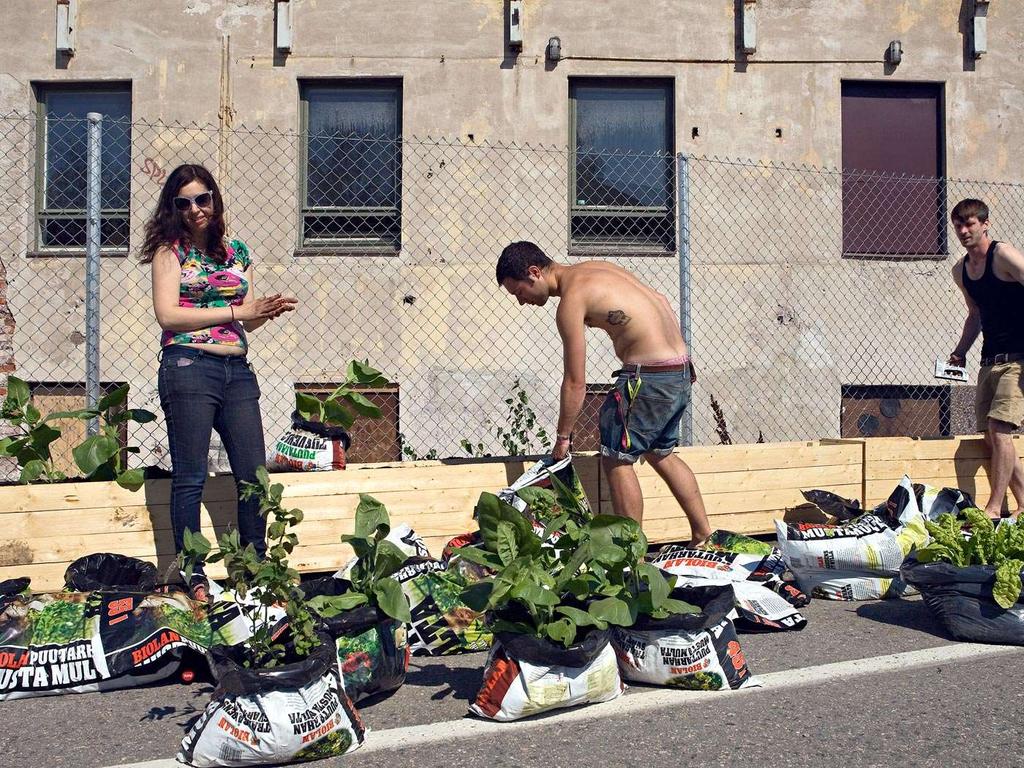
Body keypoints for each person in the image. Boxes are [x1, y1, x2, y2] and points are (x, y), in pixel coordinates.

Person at [140, 164, 297, 597]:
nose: (195, 209)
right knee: (191, 475)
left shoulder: (236, 252)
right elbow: (168, 315)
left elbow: (245, 317)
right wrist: (236, 313)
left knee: (253, 474)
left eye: (202, 199)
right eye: (183, 202)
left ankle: (254, 567)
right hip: (188, 367)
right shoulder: (170, 253)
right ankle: (192, 573)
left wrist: (264, 311)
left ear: (215, 199)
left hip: (236, 370)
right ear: (173, 208)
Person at [496, 241, 712, 545]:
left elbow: (575, 382)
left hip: (646, 377)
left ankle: (630, 554)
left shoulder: (571, 300)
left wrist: (563, 438)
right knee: (660, 452)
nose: (521, 302)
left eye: (519, 292)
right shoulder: (596, 269)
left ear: (534, 273)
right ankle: (703, 534)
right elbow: (659, 299)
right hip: (679, 369)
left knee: (616, 458)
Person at [948, 198, 1024, 520]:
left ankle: (993, 507)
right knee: (991, 438)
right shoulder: (961, 271)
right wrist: (960, 352)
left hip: (1018, 360)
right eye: (958, 225)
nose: (964, 230)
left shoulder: (1002, 255)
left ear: (985, 224)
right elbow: (975, 314)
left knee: (1000, 427)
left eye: (970, 223)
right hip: (989, 360)